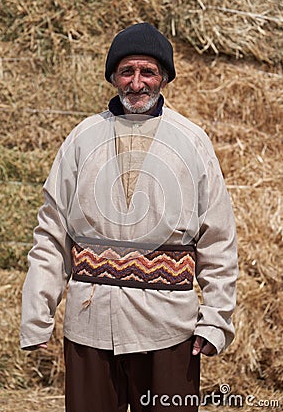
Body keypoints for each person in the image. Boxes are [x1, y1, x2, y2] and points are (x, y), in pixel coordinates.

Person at [21, 22, 238, 411]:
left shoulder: (192, 141)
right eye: (127, 71)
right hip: (90, 327)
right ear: (113, 77)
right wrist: (38, 314)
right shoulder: (82, 139)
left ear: (164, 78)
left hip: (169, 330)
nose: (137, 83)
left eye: (148, 72)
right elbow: (52, 235)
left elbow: (218, 239)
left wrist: (216, 319)